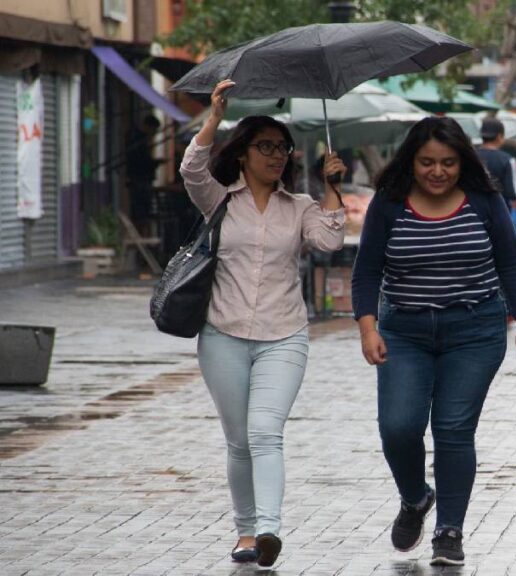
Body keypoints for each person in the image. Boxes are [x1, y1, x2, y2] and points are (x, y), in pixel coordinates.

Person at [351, 116, 516, 566]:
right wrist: (367, 326)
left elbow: (512, 263)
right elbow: (367, 269)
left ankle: (449, 529)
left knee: (454, 429)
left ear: (463, 162)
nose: (438, 172)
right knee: (398, 427)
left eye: (449, 163)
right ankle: (416, 498)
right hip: (404, 331)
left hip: (474, 330)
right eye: (428, 163)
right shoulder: (390, 203)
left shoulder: (483, 199)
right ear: (411, 161)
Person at [180, 79, 346, 568]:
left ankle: (269, 529)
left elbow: (330, 243)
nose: (277, 156)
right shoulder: (219, 200)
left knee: (264, 431)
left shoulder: (298, 208)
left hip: (284, 335)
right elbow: (191, 169)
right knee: (238, 440)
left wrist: (332, 188)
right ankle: (246, 531)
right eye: (266, 147)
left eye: (283, 149)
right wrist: (213, 117)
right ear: (244, 153)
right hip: (222, 334)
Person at [126, 114, 163, 233]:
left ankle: (143, 234)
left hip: (142, 180)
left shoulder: (141, 139)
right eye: (154, 130)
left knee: (144, 211)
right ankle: (141, 234)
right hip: (139, 181)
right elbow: (140, 162)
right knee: (141, 212)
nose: (154, 134)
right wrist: (154, 163)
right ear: (148, 127)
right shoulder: (137, 140)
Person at [475, 117, 516, 211]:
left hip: (474, 211)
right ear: (499, 136)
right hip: (500, 212)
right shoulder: (507, 159)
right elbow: (512, 192)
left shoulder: (471, 156)